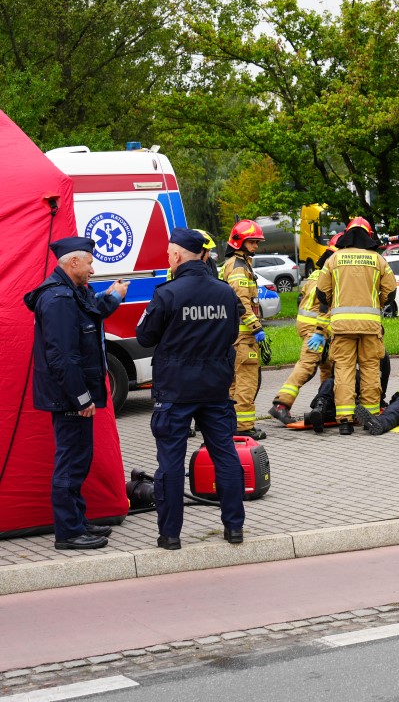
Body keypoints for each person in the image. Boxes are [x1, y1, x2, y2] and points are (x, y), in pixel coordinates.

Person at [137, 229, 246, 550]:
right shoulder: (225, 292)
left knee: (170, 463)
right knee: (224, 456)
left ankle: (170, 535)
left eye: (170, 254)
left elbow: (145, 337)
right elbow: (230, 336)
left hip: (174, 391)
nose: (168, 259)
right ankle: (235, 528)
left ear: (178, 256)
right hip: (215, 388)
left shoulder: (167, 293)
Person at [24, 236, 129, 550]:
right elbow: (62, 357)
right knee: (70, 465)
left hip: (73, 395)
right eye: (89, 262)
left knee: (79, 461)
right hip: (70, 397)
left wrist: (112, 297)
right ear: (72, 263)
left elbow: (91, 314)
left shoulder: (73, 293)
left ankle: (77, 521)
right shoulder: (58, 299)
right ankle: (69, 533)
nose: (93, 269)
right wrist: (81, 397)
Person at [313, 217, 397, 435]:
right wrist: (377, 303)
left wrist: (335, 303)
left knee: (343, 370)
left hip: (341, 327)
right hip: (370, 326)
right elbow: (391, 291)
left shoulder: (334, 259)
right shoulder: (378, 260)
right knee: (370, 369)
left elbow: (322, 293)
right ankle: (370, 418)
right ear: (369, 236)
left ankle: (345, 422)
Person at [268, 267, 332, 425]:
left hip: (309, 325)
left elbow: (300, 297)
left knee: (329, 366)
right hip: (317, 328)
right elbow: (326, 304)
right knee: (307, 366)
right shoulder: (333, 274)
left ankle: (326, 404)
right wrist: (320, 331)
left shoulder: (317, 273)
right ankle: (281, 405)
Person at [221, 220, 266, 440]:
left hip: (234, 335)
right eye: (253, 242)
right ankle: (245, 427)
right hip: (244, 336)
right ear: (240, 242)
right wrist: (256, 327)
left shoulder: (238, 263)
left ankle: (233, 424)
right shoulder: (238, 267)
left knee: (234, 382)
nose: (256, 246)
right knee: (246, 381)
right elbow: (241, 302)